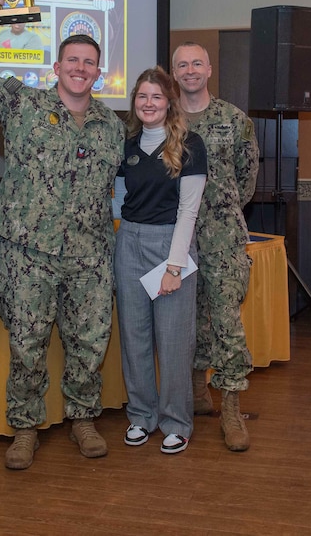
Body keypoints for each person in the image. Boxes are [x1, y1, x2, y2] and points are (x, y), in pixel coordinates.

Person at [0, 0, 124, 470]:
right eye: (72, 61)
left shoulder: (111, 126)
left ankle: (83, 419)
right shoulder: (22, 105)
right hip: (27, 252)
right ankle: (25, 428)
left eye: (89, 63)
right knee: (27, 344)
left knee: (89, 342)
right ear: (57, 68)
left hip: (89, 255)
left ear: (98, 72)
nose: (80, 69)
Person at [170, 41, 260, 452]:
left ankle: (231, 408)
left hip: (223, 237)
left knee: (226, 320)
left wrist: (217, 212)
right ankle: (196, 392)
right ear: (175, 73)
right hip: (176, 238)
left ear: (208, 70)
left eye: (196, 64)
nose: (189, 70)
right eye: (181, 65)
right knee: (187, 318)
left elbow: (246, 179)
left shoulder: (233, 119)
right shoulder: (164, 118)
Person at [112, 68, 207, 454]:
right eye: (142, 97)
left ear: (169, 102)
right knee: (134, 339)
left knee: (172, 343)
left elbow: (189, 212)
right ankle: (141, 416)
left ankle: (176, 422)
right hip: (129, 242)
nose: (148, 104)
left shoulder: (190, 144)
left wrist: (174, 267)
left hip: (171, 246)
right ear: (134, 102)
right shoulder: (128, 144)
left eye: (156, 97)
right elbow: (119, 200)